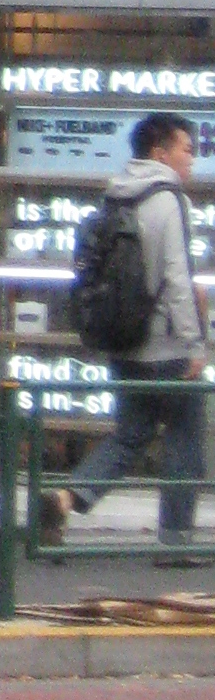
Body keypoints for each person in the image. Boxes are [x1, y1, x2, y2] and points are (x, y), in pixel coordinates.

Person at [41, 111, 205, 562]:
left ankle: (64, 500)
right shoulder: (169, 200)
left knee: (129, 435)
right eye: (186, 149)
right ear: (160, 153)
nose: (192, 158)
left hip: (125, 344)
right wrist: (194, 344)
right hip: (168, 348)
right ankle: (174, 542)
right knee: (185, 439)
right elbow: (177, 278)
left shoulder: (117, 196)